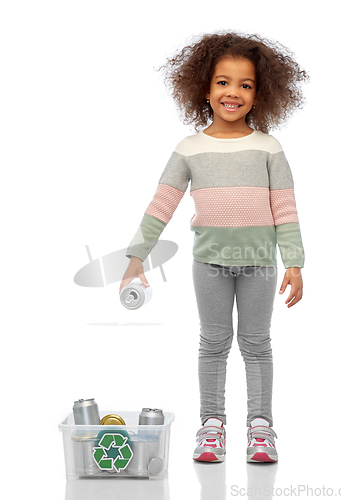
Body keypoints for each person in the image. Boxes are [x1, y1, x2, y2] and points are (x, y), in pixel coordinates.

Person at [119, 31, 308, 463]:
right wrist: (136, 259)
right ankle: (211, 427)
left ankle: (261, 429)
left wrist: (294, 263)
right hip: (209, 264)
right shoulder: (189, 149)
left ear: (260, 95)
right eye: (223, 82)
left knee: (257, 343)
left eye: (245, 85)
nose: (233, 93)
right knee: (213, 343)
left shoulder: (268, 147)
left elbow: (285, 206)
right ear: (204, 88)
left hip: (260, 264)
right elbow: (162, 204)